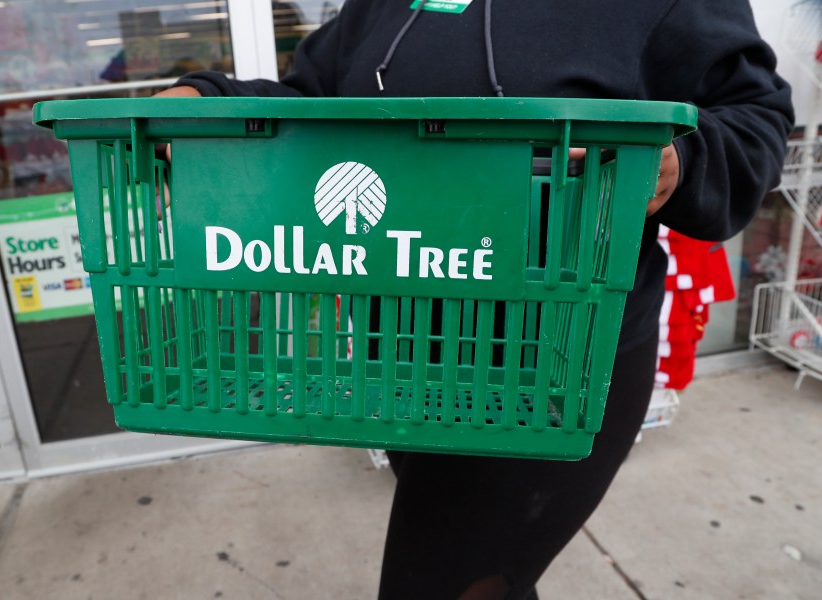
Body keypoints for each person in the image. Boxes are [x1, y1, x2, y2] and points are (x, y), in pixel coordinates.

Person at [157, 1, 793, 597]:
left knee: (438, 581)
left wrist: (680, 158)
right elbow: (312, 99)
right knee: (487, 578)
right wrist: (208, 96)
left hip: (553, 366)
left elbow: (756, 118)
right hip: (402, 353)